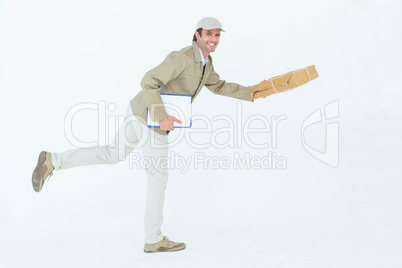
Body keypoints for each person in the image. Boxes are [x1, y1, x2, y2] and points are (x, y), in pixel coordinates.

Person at [32, 17, 254, 253]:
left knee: (111, 153)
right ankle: (153, 239)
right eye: (209, 34)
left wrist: (253, 93)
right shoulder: (181, 58)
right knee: (158, 177)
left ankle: (53, 160)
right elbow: (148, 81)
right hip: (150, 121)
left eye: (217, 35)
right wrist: (162, 116)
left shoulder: (206, 64)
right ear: (197, 35)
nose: (214, 39)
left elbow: (219, 85)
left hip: (136, 112)